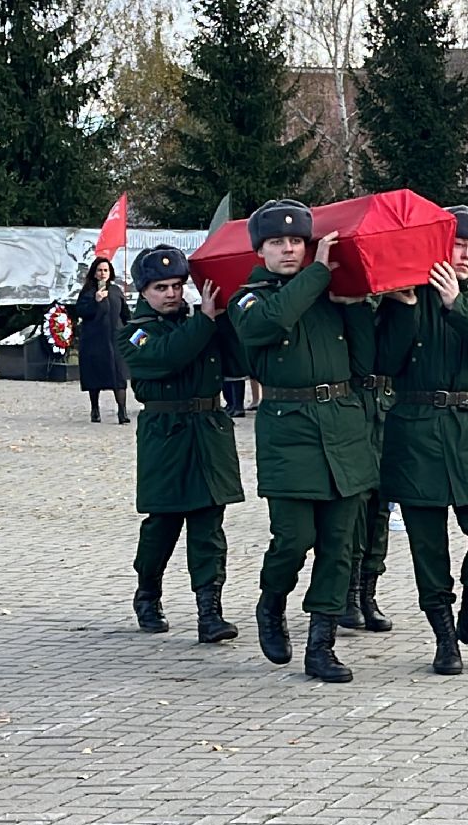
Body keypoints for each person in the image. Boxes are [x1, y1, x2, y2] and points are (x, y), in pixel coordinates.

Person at [230, 199, 377, 683]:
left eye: (296, 241)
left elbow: (366, 363)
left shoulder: (329, 297)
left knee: (338, 544)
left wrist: (356, 308)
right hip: (288, 430)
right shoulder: (247, 299)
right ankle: (271, 603)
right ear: (260, 251)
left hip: (342, 429)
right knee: (294, 538)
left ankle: (321, 644)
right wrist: (317, 275)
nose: (289, 249)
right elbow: (269, 323)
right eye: (277, 242)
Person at [376, 205, 468, 675]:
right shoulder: (405, 297)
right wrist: (403, 310)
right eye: (459, 245)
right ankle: (443, 635)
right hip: (415, 430)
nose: (466, 255)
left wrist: (456, 304)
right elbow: (384, 362)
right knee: (428, 545)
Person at [116, 244, 242, 644]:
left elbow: (237, 362)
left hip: (208, 428)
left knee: (209, 523)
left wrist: (227, 318)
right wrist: (205, 321)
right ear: (143, 291)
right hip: (165, 433)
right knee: (163, 523)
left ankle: (210, 612)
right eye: (160, 287)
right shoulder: (135, 332)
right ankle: (148, 593)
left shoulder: (201, 320)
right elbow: (168, 356)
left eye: (176, 285)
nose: (171, 294)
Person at [339, 294, 396, 637]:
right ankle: (348, 593)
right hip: (354, 408)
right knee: (353, 509)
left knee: (381, 509)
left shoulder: (397, 302)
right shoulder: (344, 301)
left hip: (387, 409)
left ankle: (368, 592)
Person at [74, 258, 130, 422]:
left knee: (119, 376)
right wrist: (95, 301)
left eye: (105, 270)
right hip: (94, 341)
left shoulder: (116, 290)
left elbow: (126, 315)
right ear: (94, 273)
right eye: (99, 270)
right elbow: (80, 311)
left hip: (116, 340)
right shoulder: (87, 291)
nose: (103, 273)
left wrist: (138, 338)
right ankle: (95, 409)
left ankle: (122, 412)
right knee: (95, 375)